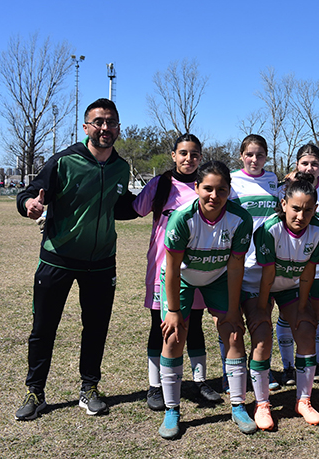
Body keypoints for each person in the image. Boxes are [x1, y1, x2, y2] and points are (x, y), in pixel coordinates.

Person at [15, 98, 138, 421]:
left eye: (111, 122)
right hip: (58, 259)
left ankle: (89, 388)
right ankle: (35, 391)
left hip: (101, 262)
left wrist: (156, 198)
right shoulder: (64, 162)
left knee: (95, 327)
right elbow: (31, 192)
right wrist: (29, 204)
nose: (105, 128)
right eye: (98, 122)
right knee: (43, 328)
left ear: (118, 128)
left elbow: (122, 207)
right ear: (86, 127)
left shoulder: (120, 168)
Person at [158, 161, 253, 439]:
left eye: (221, 189)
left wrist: (233, 310)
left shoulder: (240, 219)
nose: (214, 195)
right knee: (174, 336)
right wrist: (173, 311)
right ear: (196, 187)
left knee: (234, 334)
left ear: (229, 190)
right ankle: (172, 410)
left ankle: (238, 405)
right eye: (208, 189)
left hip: (218, 277)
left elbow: (236, 267)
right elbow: (173, 268)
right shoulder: (182, 218)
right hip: (183, 278)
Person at [132, 134, 221, 411]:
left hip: (195, 268)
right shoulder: (160, 184)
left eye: (194, 154)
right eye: (183, 153)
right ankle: (155, 385)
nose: (188, 159)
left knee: (193, 323)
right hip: (161, 266)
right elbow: (135, 208)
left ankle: (199, 381)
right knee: (161, 326)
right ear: (173, 155)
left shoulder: (204, 186)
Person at [252, 173, 319, 428]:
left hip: (289, 286)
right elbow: (267, 275)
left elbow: (307, 274)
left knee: (306, 328)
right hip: (258, 285)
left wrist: (303, 307)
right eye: (295, 208)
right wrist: (263, 308)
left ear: (315, 209)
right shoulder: (269, 229)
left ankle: (303, 400)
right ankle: (262, 404)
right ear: (283, 204)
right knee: (262, 333)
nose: (300, 215)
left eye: (308, 210)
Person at [279, 144, 319, 383]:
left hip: (318, 260)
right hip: (291, 260)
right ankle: (288, 366)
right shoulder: (285, 188)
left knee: (318, 313)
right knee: (288, 313)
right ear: (297, 165)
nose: (310, 167)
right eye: (305, 163)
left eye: (314, 163)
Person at [229, 134, 282, 392]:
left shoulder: (272, 180)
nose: (254, 159)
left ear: (266, 157)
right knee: (233, 322)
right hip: (237, 261)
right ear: (241, 155)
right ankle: (234, 373)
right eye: (249, 154)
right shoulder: (231, 181)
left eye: (259, 154)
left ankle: (262, 368)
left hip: (263, 263)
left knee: (262, 319)